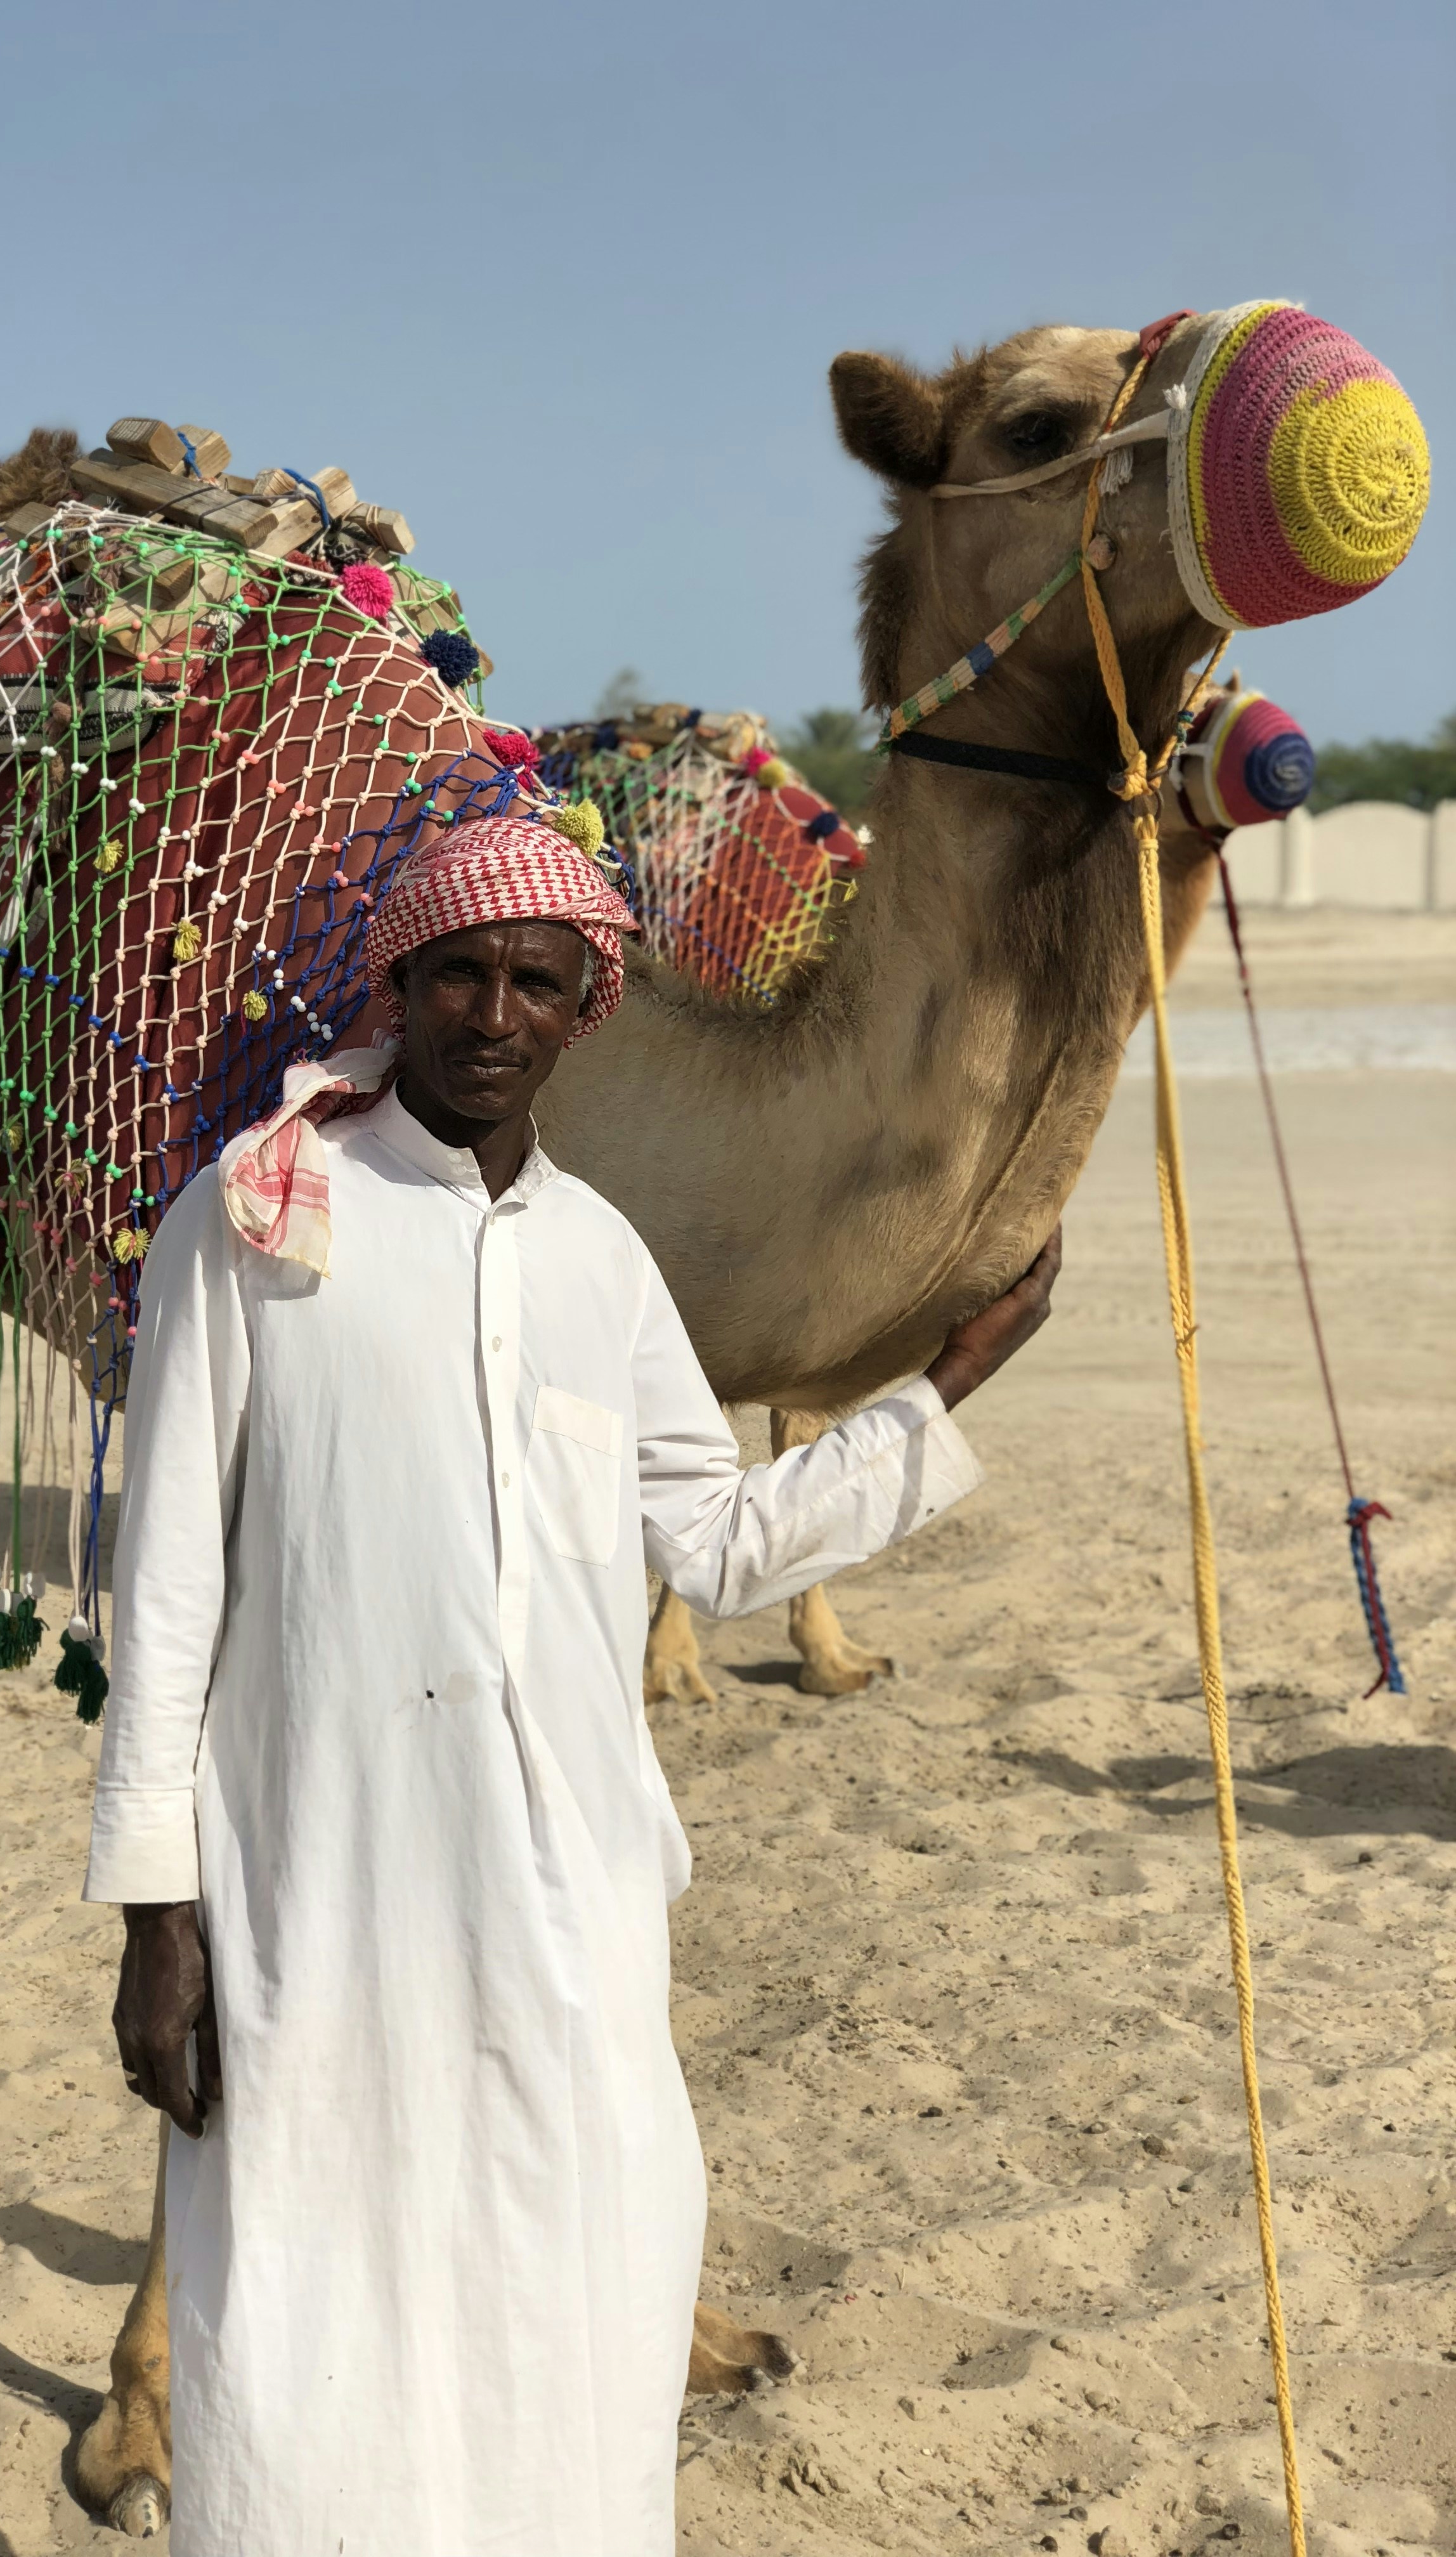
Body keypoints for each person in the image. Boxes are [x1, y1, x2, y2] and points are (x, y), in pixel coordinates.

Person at [83, 812, 1060, 2556]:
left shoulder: (604, 1259)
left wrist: (947, 1386)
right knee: (308, 2287)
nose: (493, 1010)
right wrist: (159, 1910)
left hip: (569, 1892)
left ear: (582, 1008)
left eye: (535, 980)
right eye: (459, 971)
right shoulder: (250, 1223)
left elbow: (728, 1541)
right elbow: (161, 1591)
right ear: (400, 985)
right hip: (319, 1875)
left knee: (582, 2267)